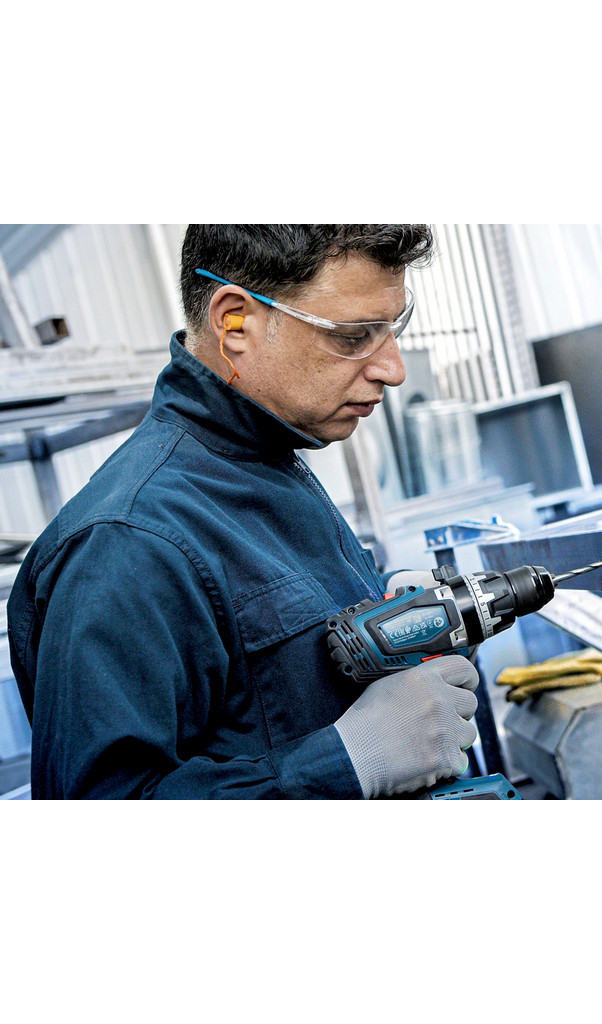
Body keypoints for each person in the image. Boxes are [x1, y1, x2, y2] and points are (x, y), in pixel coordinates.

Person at [6, 224, 480, 799]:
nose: (393, 369)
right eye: (355, 335)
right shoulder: (127, 544)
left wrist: (391, 619)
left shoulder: (269, 464)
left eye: (393, 328)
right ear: (235, 323)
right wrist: (349, 761)